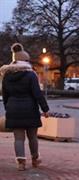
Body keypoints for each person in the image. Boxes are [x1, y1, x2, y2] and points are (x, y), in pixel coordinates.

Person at [0, 43, 49, 171]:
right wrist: (45, 109)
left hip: (13, 109)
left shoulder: (7, 76)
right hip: (30, 109)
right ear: (25, 61)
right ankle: (35, 159)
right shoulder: (31, 75)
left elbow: (4, 95)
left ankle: (20, 162)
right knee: (32, 136)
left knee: (18, 138)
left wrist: (8, 107)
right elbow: (37, 94)